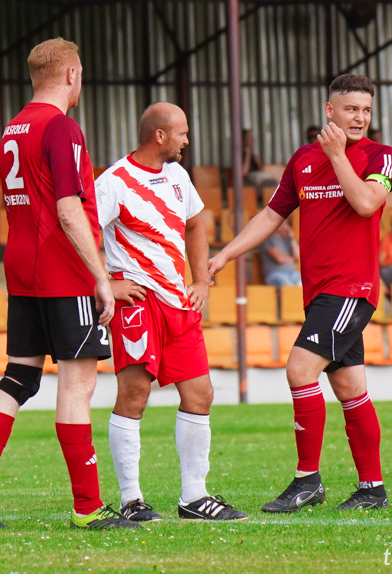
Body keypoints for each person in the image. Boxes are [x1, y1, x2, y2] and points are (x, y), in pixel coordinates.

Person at [0, 37, 137, 531]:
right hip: (62, 268)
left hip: (23, 266)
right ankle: (87, 507)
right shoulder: (62, 128)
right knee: (78, 384)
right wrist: (100, 277)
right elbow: (67, 207)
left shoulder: (13, 129)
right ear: (71, 75)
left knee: (20, 377)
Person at [209, 74, 392, 512]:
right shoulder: (303, 159)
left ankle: (306, 480)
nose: (360, 117)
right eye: (351, 109)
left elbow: (367, 203)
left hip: (353, 289)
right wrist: (225, 255)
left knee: (299, 370)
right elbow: (271, 215)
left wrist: (338, 157)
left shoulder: (379, 156)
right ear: (329, 111)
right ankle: (373, 489)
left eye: (366, 110)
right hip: (319, 293)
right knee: (351, 388)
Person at [97, 102, 247, 523]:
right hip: (138, 305)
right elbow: (82, 231)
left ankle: (194, 498)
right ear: (159, 136)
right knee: (134, 395)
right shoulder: (115, 182)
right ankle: (131, 499)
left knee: (201, 394)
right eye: (181, 132)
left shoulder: (178, 176)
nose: (187, 139)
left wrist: (200, 281)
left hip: (178, 302)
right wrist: (105, 284)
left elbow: (196, 223)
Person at [259, 220, 301, 287]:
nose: (285, 226)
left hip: (293, 274)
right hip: (275, 274)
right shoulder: (268, 238)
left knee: (305, 285)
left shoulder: (287, 239)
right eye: (283, 223)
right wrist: (294, 259)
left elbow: (298, 257)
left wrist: (292, 238)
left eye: (286, 223)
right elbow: (280, 259)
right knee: (289, 289)